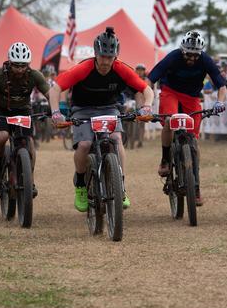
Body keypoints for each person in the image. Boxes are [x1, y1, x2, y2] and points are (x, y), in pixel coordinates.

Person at [49, 27, 154, 212]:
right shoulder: (84, 68)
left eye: (110, 57)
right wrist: (56, 112)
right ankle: (81, 185)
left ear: (116, 56)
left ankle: (120, 184)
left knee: (116, 139)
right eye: (102, 56)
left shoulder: (121, 69)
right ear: (96, 54)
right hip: (82, 110)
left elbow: (146, 90)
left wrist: (146, 107)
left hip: (109, 109)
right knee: (84, 144)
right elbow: (55, 89)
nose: (106, 61)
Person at [148, 31, 227, 206]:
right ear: (182, 50)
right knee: (169, 120)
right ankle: (165, 159)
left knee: (193, 142)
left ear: (200, 53)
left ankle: (196, 187)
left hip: (192, 97)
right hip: (170, 92)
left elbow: (222, 85)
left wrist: (219, 102)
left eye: (195, 55)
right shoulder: (173, 57)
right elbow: (150, 79)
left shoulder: (206, 60)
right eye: (188, 54)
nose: (191, 58)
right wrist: (148, 101)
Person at [0, 42, 50, 192]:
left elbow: (50, 94)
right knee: (1, 137)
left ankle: (29, 180)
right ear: (9, 62)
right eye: (16, 65)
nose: (20, 69)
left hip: (23, 110)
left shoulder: (35, 75)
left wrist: (55, 109)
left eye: (23, 65)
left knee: (29, 143)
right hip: (0, 109)